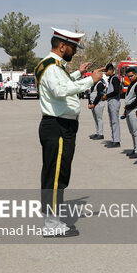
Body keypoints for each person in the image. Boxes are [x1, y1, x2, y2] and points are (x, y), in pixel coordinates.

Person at [36, 27, 104, 237]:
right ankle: (51, 225)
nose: (75, 52)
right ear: (62, 46)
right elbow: (60, 90)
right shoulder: (52, 67)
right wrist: (89, 80)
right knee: (56, 176)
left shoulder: (52, 66)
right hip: (58, 126)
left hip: (59, 125)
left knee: (55, 174)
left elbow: (62, 83)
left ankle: (53, 220)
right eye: (73, 48)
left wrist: (78, 73)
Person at [124, 67, 137, 159]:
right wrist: (125, 110)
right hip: (129, 110)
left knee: (136, 131)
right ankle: (135, 148)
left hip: (134, 110)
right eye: (128, 76)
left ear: (136, 75)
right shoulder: (131, 84)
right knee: (132, 131)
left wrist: (129, 107)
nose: (130, 78)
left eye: (131, 76)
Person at [103, 63, 121, 147]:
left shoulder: (115, 79)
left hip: (114, 101)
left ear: (111, 70)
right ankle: (114, 138)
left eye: (106, 71)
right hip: (111, 101)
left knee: (114, 121)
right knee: (111, 121)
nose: (105, 73)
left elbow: (116, 91)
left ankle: (116, 141)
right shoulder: (111, 79)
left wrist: (107, 96)